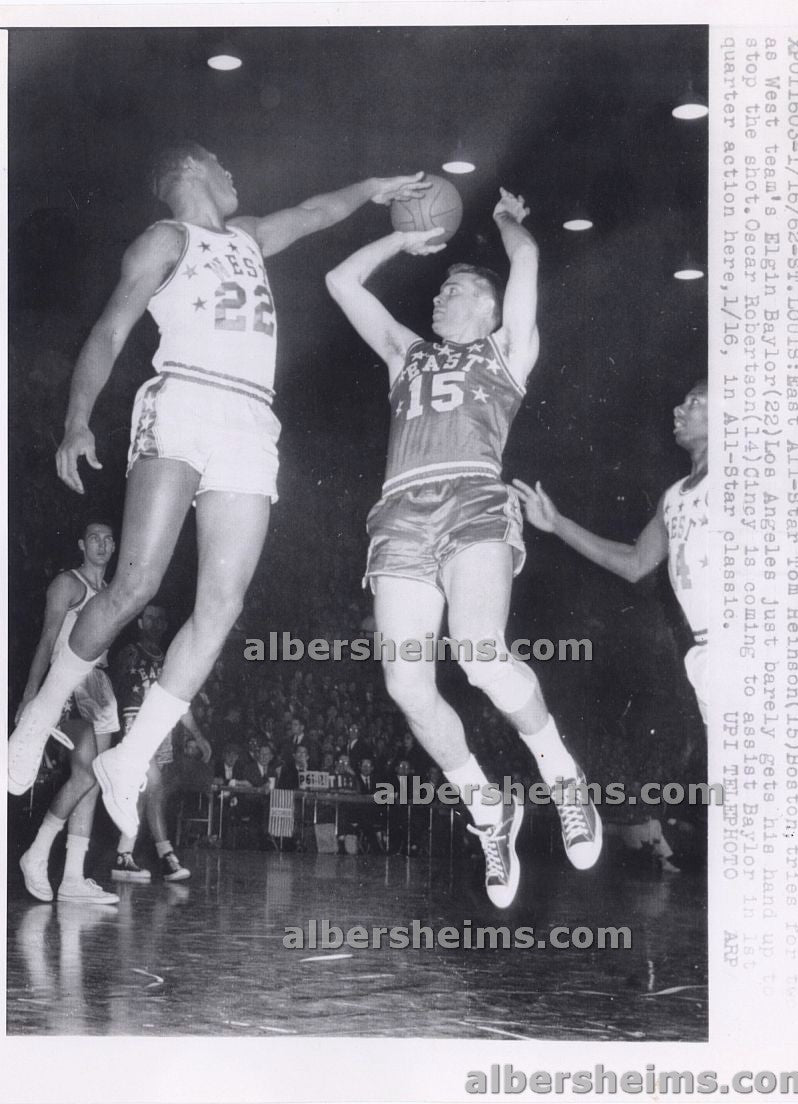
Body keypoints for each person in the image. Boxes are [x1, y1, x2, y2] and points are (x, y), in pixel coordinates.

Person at [7, 140, 430, 838]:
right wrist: (77, 421)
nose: (237, 174)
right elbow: (111, 331)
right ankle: (40, 715)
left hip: (249, 415)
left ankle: (131, 759)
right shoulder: (164, 239)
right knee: (135, 585)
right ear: (190, 169)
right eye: (224, 167)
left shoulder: (249, 236)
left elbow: (317, 211)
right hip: (183, 399)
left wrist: (374, 186)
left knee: (223, 605)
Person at [326, 189, 601, 908]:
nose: (443, 293)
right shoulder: (405, 353)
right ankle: (487, 808)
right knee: (406, 685)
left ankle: (561, 774)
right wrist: (403, 240)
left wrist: (507, 217)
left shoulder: (509, 352)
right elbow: (340, 282)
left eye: (460, 287)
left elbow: (530, 255)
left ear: (489, 308)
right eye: (442, 286)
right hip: (400, 514)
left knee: (479, 651)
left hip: (473, 496)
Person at [514, 379, 709, 724]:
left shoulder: (744, 481)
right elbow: (635, 563)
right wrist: (557, 523)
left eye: (695, 402)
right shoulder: (674, 496)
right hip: (706, 653)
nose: (678, 409)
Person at [14, 520, 120, 904]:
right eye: (95, 538)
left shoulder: (111, 591)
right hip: (67, 681)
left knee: (95, 779)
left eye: (109, 539)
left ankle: (73, 878)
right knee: (86, 770)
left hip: (100, 685)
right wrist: (31, 696)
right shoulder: (68, 583)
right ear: (81, 544)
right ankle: (37, 854)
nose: (102, 545)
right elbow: (46, 639)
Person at [109, 603, 200, 882]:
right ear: (140, 622)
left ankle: (124, 856)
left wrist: (198, 735)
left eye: (161, 619)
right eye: (150, 618)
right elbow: (113, 687)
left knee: (146, 794)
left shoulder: (168, 658)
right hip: (134, 723)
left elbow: (180, 701)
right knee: (155, 784)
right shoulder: (130, 652)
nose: (155, 624)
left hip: (162, 728)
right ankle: (166, 856)